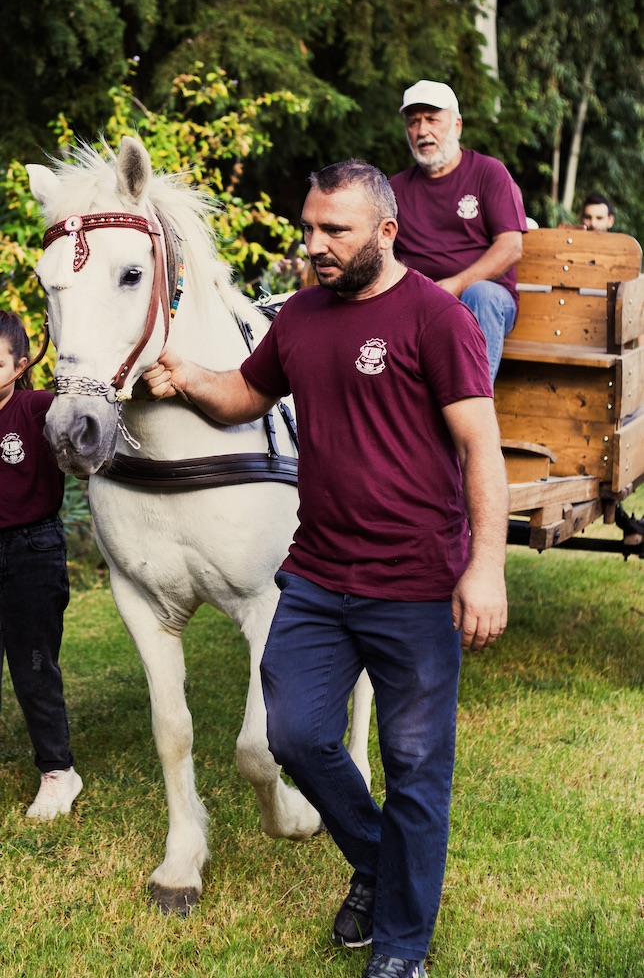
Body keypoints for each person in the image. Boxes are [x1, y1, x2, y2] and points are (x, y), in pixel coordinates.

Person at [143, 160, 509, 978]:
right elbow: (247, 393)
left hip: (416, 586)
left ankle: (402, 948)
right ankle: (386, 866)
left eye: (333, 231)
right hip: (314, 578)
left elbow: (480, 448)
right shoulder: (302, 316)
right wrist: (187, 376)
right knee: (296, 738)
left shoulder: (434, 320)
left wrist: (485, 566)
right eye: (309, 229)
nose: (314, 246)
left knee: (416, 769)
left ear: (386, 231)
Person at [0, 310, 82, 820]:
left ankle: (58, 771)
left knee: (33, 668)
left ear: (20, 365)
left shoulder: (37, 409)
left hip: (31, 551)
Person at [390, 80, 528, 381]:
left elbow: (511, 246)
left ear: (457, 125)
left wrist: (456, 285)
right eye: (413, 122)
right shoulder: (395, 189)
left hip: (485, 302)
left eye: (432, 120)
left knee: (481, 294)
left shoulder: (489, 173)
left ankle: (471, 414)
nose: (422, 130)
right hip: (421, 306)